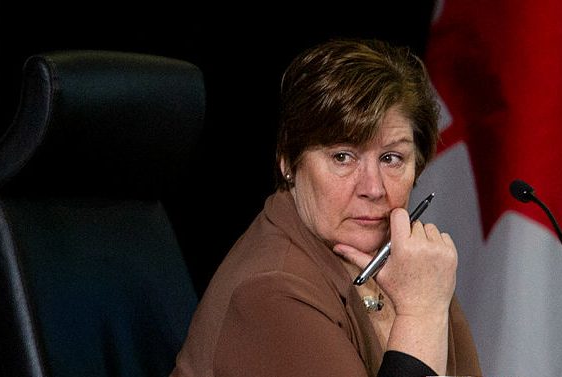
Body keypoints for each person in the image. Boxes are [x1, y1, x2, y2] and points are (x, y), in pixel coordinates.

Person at [170, 38, 481, 377]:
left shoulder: (414, 268)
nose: (373, 188)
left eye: (391, 158)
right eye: (342, 157)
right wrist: (421, 314)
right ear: (288, 161)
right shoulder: (270, 291)